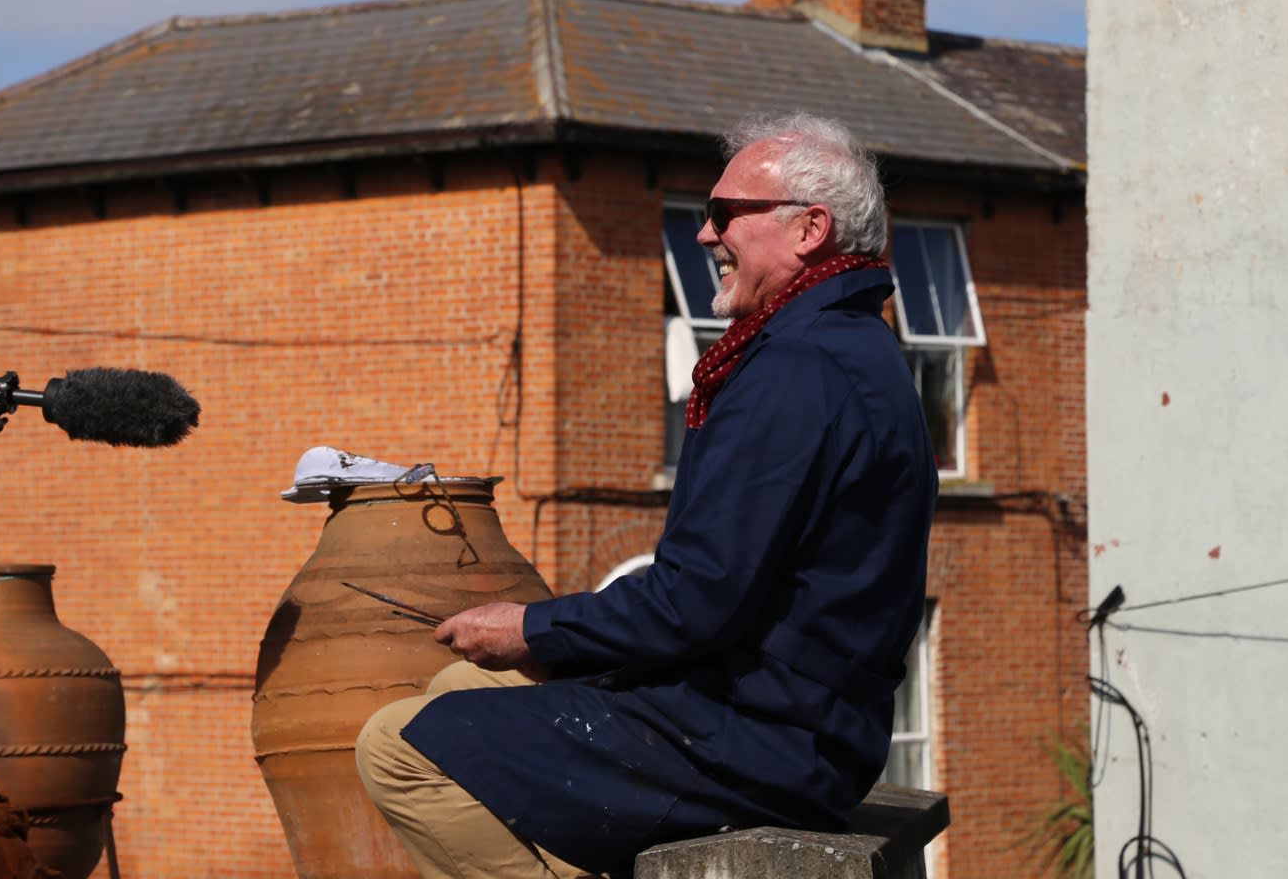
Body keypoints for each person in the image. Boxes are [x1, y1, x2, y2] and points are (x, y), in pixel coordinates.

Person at [356, 112, 938, 879]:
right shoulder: (848, 345)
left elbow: (696, 601)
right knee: (459, 684)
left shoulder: (800, 370)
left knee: (395, 747)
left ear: (810, 230)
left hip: (759, 738)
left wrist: (533, 627)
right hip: (793, 718)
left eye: (725, 213)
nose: (704, 234)